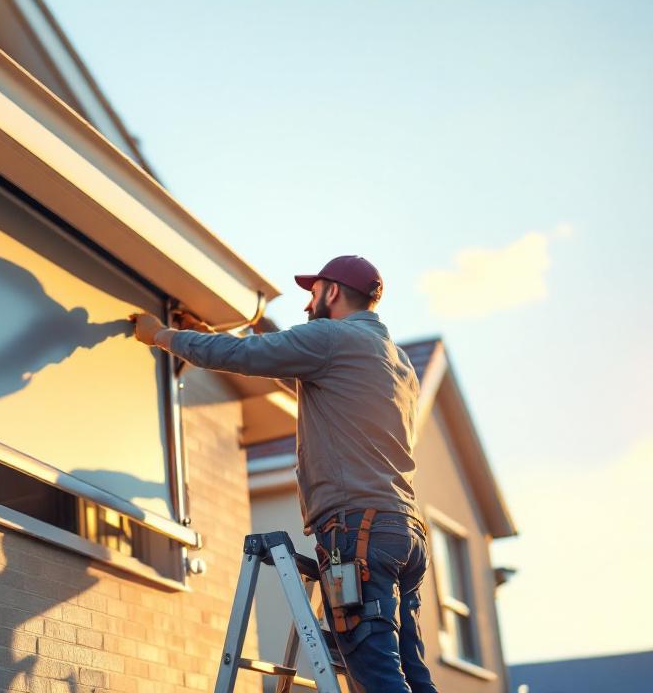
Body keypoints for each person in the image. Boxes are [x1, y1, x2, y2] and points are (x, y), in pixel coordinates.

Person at [130, 255, 438, 693]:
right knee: (412, 672)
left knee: (379, 677)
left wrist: (162, 336)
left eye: (312, 295)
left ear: (332, 291)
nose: (307, 306)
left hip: (359, 532)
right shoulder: (398, 362)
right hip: (404, 534)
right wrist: (222, 331)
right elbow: (287, 365)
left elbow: (245, 357)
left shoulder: (331, 339)